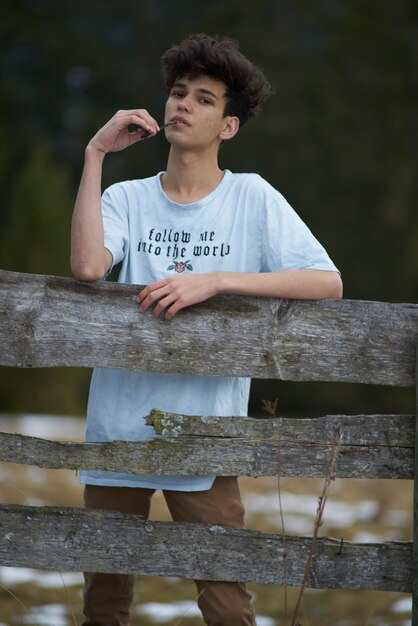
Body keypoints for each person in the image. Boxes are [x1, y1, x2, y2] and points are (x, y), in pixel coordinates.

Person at [71, 33, 342, 626]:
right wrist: (94, 154)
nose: (183, 106)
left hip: (206, 435)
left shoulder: (251, 197)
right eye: (176, 93)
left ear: (229, 126)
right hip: (118, 430)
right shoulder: (126, 198)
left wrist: (218, 280)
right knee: (104, 605)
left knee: (226, 604)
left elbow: (325, 281)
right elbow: (89, 267)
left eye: (203, 99)